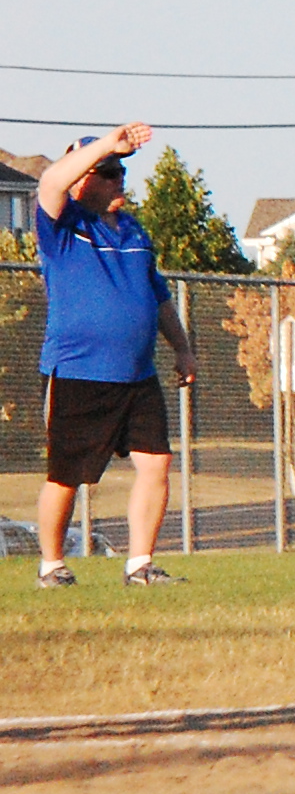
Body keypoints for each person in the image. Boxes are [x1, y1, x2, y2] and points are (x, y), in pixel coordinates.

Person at [29, 126, 198, 587]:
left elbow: (158, 297)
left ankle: (140, 565)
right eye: (107, 172)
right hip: (78, 372)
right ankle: (52, 566)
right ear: (82, 179)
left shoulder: (135, 231)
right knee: (66, 475)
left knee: (156, 462)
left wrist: (182, 348)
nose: (118, 178)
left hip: (137, 375)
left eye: (120, 171)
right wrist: (105, 144)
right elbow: (50, 183)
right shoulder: (64, 226)